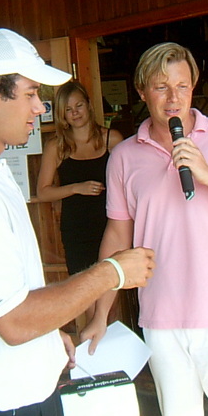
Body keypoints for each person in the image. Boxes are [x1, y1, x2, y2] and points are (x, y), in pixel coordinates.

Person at [0, 28, 155, 416]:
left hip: (11, 396)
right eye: (30, 94)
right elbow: (15, 321)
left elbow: (4, 301)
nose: (40, 107)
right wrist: (112, 271)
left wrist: (46, 338)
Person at [81, 41, 208, 416]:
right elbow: (117, 236)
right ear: (141, 92)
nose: (173, 98)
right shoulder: (124, 156)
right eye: (161, 87)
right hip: (160, 316)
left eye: (182, 86)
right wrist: (101, 314)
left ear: (193, 87)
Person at [36, 80, 124, 276]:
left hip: (111, 225)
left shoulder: (112, 139)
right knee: (83, 286)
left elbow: (129, 183)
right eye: (68, 109)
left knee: (114, 284)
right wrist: (76, 188)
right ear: (62, 114)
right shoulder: (56, 146)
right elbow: (42, 192)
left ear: (89, 105)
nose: (75, 113)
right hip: (76, 230)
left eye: (79, 105)